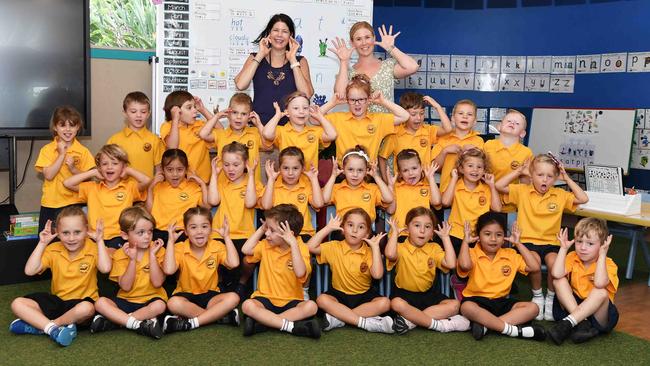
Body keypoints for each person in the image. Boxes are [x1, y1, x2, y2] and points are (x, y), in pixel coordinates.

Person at [496, 154, 589, 321]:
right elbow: (499, 185)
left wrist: (566, 177)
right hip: (527, 242)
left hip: (551, 243)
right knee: (534, 263)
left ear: (555, 178)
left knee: (556, 266)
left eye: (550, 176)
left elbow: (583, 198)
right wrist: (519, 171)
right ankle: (538, 296)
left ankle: (551, 299)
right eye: (540, 175)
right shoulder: (522, 191)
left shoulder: (559, 194)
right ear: (532, 175)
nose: (544, 179)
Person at [9, 206, 111, 347]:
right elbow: (30, 271)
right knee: (17, 303)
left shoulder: (93, 247)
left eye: (77, 232)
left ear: (87, 230)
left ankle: (46, 326)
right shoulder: (53, 249)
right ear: (57, 233)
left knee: (87, 308)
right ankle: (53, 329)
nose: (71, 238)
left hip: (81, 305)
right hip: (58, 302)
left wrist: (100, 241)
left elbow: (105, 268)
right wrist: (43, 243)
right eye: (65, 233)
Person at [457, 213, 546, 341]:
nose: (493, 239)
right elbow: (465, 265)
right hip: (477, 301)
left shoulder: (510, 254)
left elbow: (534, 267)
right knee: (466, 307)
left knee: (533, 308)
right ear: (478, 236)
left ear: (504, 237)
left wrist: (519, 244)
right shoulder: (471, 252)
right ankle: (513, 331)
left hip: (502, 302)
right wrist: (465, 243)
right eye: (487, 234)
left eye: (498, 235)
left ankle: (486, 326)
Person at [308, 209, 394, 334]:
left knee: (385, 303)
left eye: (361, 227)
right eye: (350, 225)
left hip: (364, 296)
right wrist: (328, 228)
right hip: (338, 295)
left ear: (367, 234)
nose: (354, 230)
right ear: (342, 228)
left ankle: (339, 319)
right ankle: (365, 323)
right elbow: (309, 247)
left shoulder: (369, 252)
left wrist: (375, 248)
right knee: (321, 300)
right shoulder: (334, 246)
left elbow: (377, 275)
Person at [241, 204, 320, 338]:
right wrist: (261, 228)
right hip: (265, 299)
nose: (267, 233)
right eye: (267, 229)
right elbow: (246, 250)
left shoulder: (300, 247)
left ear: (288, 234)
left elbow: (300, 273)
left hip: (292, 300)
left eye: (271, 230)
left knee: (312, 306)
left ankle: (265, 323)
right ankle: (291, 327)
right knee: (247, 305)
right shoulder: (266, 245)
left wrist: (293, 244)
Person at [386, 207, 469, 334]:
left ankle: (410, 322)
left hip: (428, 296)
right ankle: (438, 325)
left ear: (432, 234)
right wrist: (395, 234)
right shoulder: (400, 247)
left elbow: (451, 263)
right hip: (404, 296)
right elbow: (390, 254)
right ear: (407, 229)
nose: (422, 230)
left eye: (428, 227)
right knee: (396, 304)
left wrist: (446, 238)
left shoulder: (434, 248)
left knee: (455, 305)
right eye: (417, 225)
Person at [90, 207, 166, 339]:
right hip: (126, 300)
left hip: (151, 300)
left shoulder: (158, 250)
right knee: (100, 303)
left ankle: (117, 322)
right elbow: (125, 287)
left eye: (150, 231)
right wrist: (132, 260)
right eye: (140, 233)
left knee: (159, 306)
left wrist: (153, 256)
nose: (147, 236)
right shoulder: (120, 254)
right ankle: (138, 324)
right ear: (125, 235)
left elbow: (157, 282)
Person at [162, 207, 240, 334]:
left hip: (211, 297)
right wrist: (170, 241)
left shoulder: (216, 246)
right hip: (186, 296)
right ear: (186, 231)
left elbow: (234, 263)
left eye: (204, 226)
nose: (199, 231)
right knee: (173, 303)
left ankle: (191, 323)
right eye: (193, 227)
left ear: (210, 229)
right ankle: (218, 317)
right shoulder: (179, 248)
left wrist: (227, 237)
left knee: (234, 297)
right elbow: (169, 270)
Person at [63, 144, 150, 250]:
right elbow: (67, 183)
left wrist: (128, 170)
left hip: (119, 237)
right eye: (104, 164)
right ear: (99, 167)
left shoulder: (129, 187)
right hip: (94, 237)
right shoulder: (92, 188)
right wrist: (93, 172)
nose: (109, 167)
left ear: (123, 166)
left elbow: (147, 181)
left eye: (115, 163)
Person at [234, 13, 314, 126]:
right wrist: (260, 55)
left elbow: (307, 94)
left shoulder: (300, 61)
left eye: (285, 31)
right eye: (276, 30)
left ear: (291, 35)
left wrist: (292, 60)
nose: (279, 35)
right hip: (258, 126)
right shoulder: (255, 57)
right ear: (269, 33)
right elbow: (241, 85)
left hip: (290, 129)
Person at [548, 219, 619, 345]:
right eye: (579, 242)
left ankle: (569, 323)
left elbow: (599, 283)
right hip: (574, 306)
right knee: (558, 281)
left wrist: (602, 255)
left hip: (599, 314)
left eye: (590, 244)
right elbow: (556, 274)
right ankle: (582, 323)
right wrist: (563, 249)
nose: (583, 248)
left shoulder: (608, 264)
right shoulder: (573, 257)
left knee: (601, 292)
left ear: (602, 245)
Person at [208, 142, 263, 296]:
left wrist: (251, 175)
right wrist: (213, 174)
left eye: (236, 165)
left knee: (249, 258)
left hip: (245, 235)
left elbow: (251, 202)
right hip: (220, 233)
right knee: (213, 253)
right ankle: (218, 285)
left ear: (245, 164)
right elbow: (212, 200)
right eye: (226, 165)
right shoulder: (220, 182)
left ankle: (242, 283)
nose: (230, 169)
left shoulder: (254, 183)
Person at [331, 22, 419, 112]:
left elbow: (413, 67)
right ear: (352, 43)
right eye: (358, 39)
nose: (364, 43)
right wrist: (343, 61)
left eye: (367, 37)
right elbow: (340, 95)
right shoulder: (348, 72)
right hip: (358, 125)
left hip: (386, 124)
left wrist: (391, 48)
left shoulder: (387, 66)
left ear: (374, 38)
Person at [320, 74, 408, 163]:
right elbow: (314, 119)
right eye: (352, 100)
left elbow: (404, 116)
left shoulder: (378, 120)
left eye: (361, 99)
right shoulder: (338, 118)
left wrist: (383, 101)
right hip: (344, 173)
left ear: (369, 99)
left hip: (368, 173)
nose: (357, 104)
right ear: (347, 100)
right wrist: (332, 103)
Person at [35, 106, 95, 232]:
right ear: (55, 128)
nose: (67, 129)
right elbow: (49, 175)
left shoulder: (83, 151)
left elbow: (88, 179)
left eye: (72, 125)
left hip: (75, 203)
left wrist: (73, 169)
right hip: (51, 204)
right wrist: (61, 155)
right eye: (62, 125)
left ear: (78, 127)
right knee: (49, 243)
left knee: (75, 242)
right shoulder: (47, 150)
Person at [378, 92, 452, 182]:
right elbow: (382, 157)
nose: (418, 118)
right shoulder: (395, 134)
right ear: (404, 113)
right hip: (402, 187)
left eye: (422, 113)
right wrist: (386, 182)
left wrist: (437, 107)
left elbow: (448, 129)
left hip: (425, 186)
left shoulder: (428, 130)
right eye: (413, 114)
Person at [442, 148, 501, 255]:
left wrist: (492, 186)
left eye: (479, 167)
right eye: (470, 166)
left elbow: (497, 209)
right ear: (461, 169)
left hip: (477, 236)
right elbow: (445, 202)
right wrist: (454, 178)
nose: (475, 170)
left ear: (484, 170)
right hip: (456, 234)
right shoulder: (455, 185)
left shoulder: (486, 189)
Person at [198, 92, 266, 180]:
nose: (239, 117)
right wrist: (217, 116)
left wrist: (259, 124)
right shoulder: (221, 134)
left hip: (250, 188)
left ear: (250, 116)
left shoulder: (255, 133)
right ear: (228, 114)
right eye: (234, 112)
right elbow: (203, 134)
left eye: (244, 114)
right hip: (224, 189)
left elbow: (268, 146)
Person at [261, 92, 337, 171]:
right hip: (287, 180)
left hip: (309, 180)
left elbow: (332, 135)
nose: (301, 111)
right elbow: (266, 134)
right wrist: (277, 116)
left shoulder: (314, 131)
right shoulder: (282, 131)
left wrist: (320, 116)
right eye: (296, 108)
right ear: (287, 112)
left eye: (305, 108)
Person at [146, 149, 209, 243]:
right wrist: (150, 188)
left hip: (181, 234)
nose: (174, 174)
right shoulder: (157, 186)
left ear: (186, 169)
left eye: (179, 169)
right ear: (163, 170)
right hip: (158, 232)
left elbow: (207, 206)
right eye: (169, 170)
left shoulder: (193, 187)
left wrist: (202, 184)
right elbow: (148, 211)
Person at [261, 147, 324, 239]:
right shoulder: (272, 186)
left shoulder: (306, 186)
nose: (290, 173)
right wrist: (271, 179)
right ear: (279, 168)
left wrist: (313, 179)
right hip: (278, 234)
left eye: (295, 168)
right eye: (286, 168)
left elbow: (319, 204)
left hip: (302, 233)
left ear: (302, 169)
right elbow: (266, 206)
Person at [322, 146, 393, 223]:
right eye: (350, 169)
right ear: (343, 169)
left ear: (366, 171)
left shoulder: (372, 188)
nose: (355, 174)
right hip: (343, 230)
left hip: (365, 230)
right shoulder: (337, 188)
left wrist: (376, 176)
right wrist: (333, 176)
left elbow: (389, 198)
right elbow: (324, 199)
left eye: (360, 170)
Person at [483, 109, 533, 214]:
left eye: (517, 123)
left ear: (522, 133)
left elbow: (525, 185)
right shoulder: (488, 145)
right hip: (484, 201)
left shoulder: (526, 152)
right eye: (509, 121)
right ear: (499, 127)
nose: (512, 123)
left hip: (509, 206)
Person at [385, 149, 441, 241]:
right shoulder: (396, 187)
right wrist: (390, 186)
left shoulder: (427, 186)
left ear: (421, 167)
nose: (411, 173)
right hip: (400, 233)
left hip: (422, 234)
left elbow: (437, 202)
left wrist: (431, 178)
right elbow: (390, 210)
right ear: (400, 173)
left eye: (414, 168)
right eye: (405, 170)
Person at [431, 99, 484, 194]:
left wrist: (476, 151)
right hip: (447, 192)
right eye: (460, 113)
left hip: (471, 194)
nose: (465, 116)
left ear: (475, 121)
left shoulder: (478, 141)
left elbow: (484, 168)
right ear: (453, 118)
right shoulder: (443, 139)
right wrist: (444, 151)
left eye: (469, 114)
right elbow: (434, 168)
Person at [159, 91, 214, 183]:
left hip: (202, 181)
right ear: (177, 111)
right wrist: (175, 119)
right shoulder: (168, 126)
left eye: (194, 107)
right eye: (189, 108)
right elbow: (172, 146)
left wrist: (203, 110)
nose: (195, 110)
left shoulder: (200, 125)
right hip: (179, 181)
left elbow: (221, 131)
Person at [107, 91, 164, 178]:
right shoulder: (114, 140)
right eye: (133, 112)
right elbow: (108, 169)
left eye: (143, 112)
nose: (138, 115)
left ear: (148, 113)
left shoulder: (154, 140)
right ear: (125, 113)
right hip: (121, 190)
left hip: (146, 190)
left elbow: (159, 171)